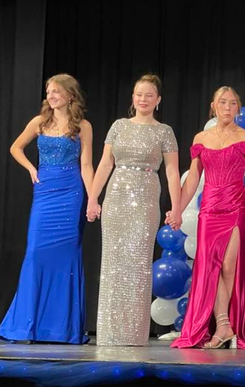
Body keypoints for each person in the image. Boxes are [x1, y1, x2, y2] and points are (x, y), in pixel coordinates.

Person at [87, 74, 181, 346]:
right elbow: (105, 164)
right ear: (133, 97)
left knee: (138, 264)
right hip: (116, 195)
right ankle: (110, 332)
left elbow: (173, 171)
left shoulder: (164, 131)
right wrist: (94, 198)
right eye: (139, 94)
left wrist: (176, 207)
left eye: (149, 95)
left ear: (158, 100)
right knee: (113, 264)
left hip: (146, 196)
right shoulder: (118, 126)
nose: (143, 99)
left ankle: (133, 334)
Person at [0, 74, 93, 344]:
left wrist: (93, 198)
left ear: (70, 96)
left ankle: (61, 329)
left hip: (72, 192)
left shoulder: (83, 126)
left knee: (66, 259)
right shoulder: (39, 122)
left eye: (56, 92)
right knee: (36, 255)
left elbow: (87, 166)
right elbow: (15, 147)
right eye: (49, 92)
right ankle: (27, 326)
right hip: (45, 192)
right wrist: (31, 168)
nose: (51, 96)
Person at [171, 87, 245, 349]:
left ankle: (228, 325)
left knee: (229, 265)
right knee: (211, 266)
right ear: (213, 106)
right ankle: (223, 325)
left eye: (232, 103)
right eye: (222, 102)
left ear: (238, 109)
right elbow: (191, 181)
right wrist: (177, 208)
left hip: (236, 208)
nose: (227, 107)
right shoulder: (202, 138)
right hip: (209, 209)